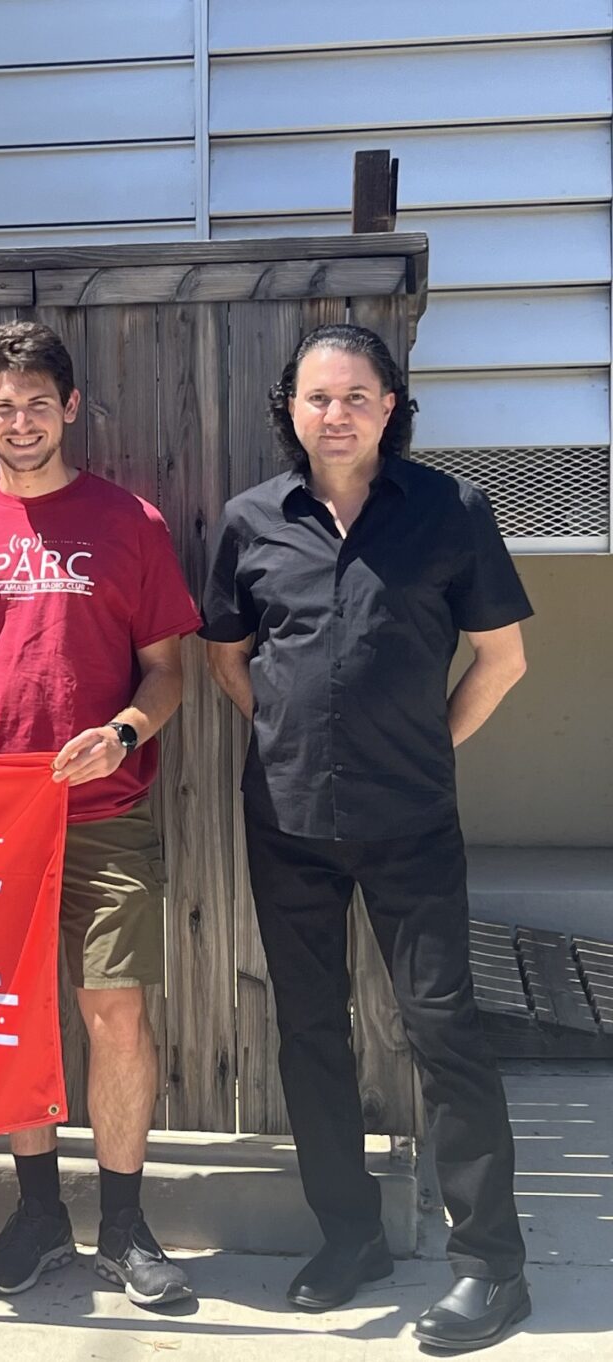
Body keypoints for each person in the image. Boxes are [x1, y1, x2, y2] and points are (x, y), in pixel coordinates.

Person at [200, 324, 532, 1350]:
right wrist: (295, 739)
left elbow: (501, 660)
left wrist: (424, 747)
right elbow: (228, 659)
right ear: (289, 410)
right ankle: (351, 1238)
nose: (334, 414)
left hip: (412, 823)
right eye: (315, 398)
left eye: (355, 396)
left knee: (445, 1033)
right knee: (309, 1033)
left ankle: (492, 1269)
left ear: (390, 406)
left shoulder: (449, 512)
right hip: (289, 820)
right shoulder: (253, 520)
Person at [0, 322, 201, 1307]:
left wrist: (122, 732)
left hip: (108, 813)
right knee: (17, 1024)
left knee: (114, 1011)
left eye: (39, 402)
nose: (21, 420)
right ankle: (39, 1217)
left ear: (69, 409)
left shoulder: (132, 523)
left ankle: (125, 1225)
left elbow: (169, 673)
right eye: (3, 405)